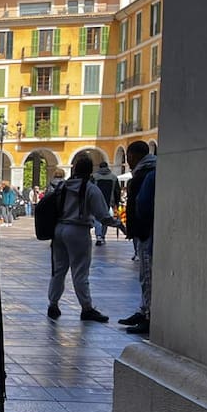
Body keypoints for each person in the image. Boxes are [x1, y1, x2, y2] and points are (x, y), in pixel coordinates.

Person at [46, 155, 125, 323]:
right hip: (78, 230)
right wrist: (119, 224)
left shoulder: (62, 186)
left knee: (58, 270)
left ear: (74, 169)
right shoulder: (91, 189)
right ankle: (86, 308)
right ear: (90, 171)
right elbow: (103, 215)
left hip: (59, 229)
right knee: (80, 271)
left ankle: (53, 304)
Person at [120, 141, 156, 335]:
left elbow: (142, 204)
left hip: (146, 231)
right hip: (146, 230)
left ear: (133, 155)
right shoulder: (149, 170)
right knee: (144, 274)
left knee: (147, 275)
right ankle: (143, 310)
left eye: (128, 157)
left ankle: (149, 316)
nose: (128, 161)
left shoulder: (145, 173)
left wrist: (136, 227)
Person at [91, 160, 121, 246]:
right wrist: (117, 202)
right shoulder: (113, 177)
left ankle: (98, 236)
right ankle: (103, 236)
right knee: (106, 218)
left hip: (96, 200)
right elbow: (117, 191)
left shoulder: (94, 176)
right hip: (108, 201)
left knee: (97, 219)